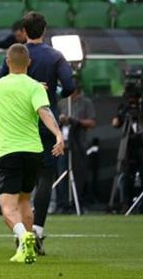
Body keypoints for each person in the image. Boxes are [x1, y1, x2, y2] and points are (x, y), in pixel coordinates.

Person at [0, 12, 75, 256]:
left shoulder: (15, 54)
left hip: (20, 125)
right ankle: (36, 231)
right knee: (44, 180)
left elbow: (0, 81)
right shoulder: (55, 56)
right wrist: (53, 95)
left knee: (16, 195)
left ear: (24, 31)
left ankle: (22, 237)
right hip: (45, 119)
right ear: (45, 29)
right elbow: (70, 86)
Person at [0, 43, 65, 264]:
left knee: (7, 208)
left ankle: (24, 237)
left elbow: (6, 86)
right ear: (29, 63)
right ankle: (30, 247)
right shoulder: (35, 88)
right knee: (24, 201)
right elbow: (44, 111)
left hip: (9, 152)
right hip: (34, 152)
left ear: (6, 62)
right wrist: (58, 135)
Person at [111, 88, 143, 212]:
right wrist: (122, 114)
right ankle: (125, 204)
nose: (131, 101)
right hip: (128, 147)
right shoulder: (124, 106)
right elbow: (115, 123)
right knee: (125, 175)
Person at [56, 83, 95, 212]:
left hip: (79, 142)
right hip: (63, 143)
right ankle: (63, 203)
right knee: (61, 173)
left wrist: (76, 121)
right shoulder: (62, 103)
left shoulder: (85, 103)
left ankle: (79, 202)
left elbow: (92, 122)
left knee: (79, 173)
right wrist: (61, 120)